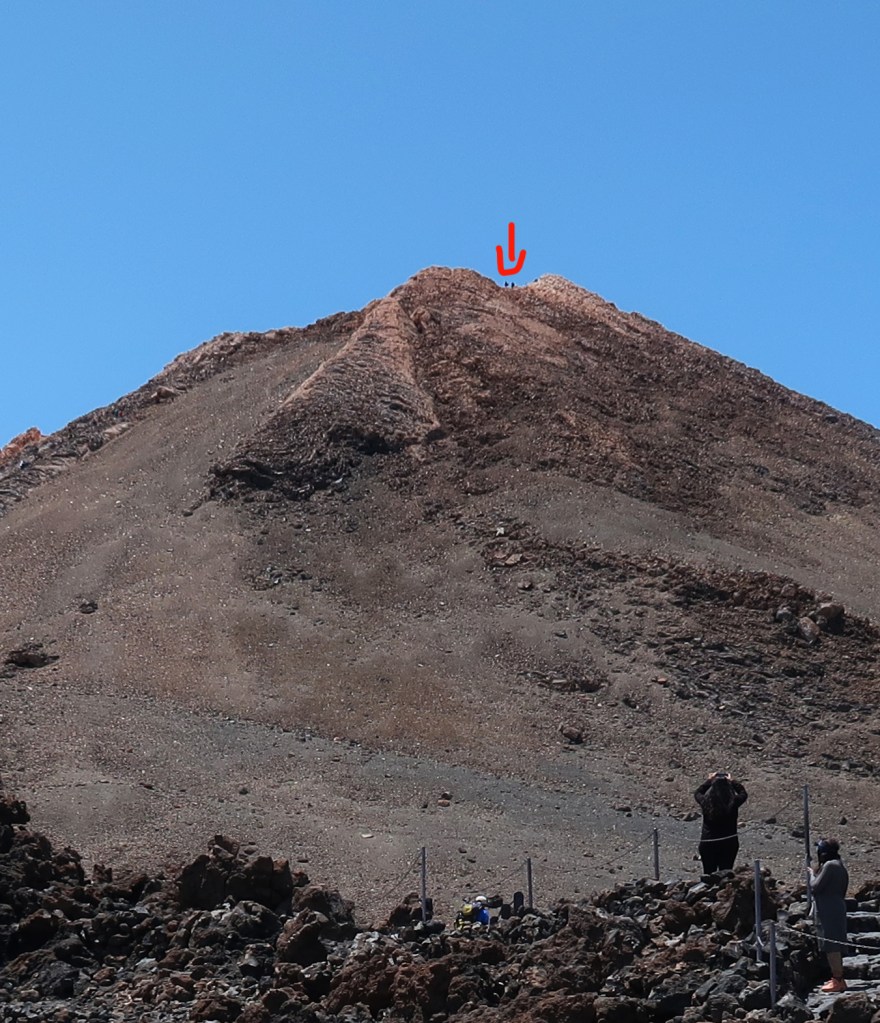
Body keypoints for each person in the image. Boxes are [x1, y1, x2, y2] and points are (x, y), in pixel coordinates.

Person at [810, 838, 849, 993]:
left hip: (828, 909)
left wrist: (812, 875)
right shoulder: (839, 865)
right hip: (836, 906)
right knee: (834, 943)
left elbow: (815, 887)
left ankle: (838, 980)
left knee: (831, 945)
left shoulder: (830, 865)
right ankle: (837, 978)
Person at [694, 771, 748, 873]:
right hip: (728, 843)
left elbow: (697, 793)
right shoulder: (733, 802)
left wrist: (709, 781)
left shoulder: (706, 802)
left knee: (708, 874)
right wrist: (733, 782)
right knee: (726, 874)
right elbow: (743, 793)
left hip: (708, 842)